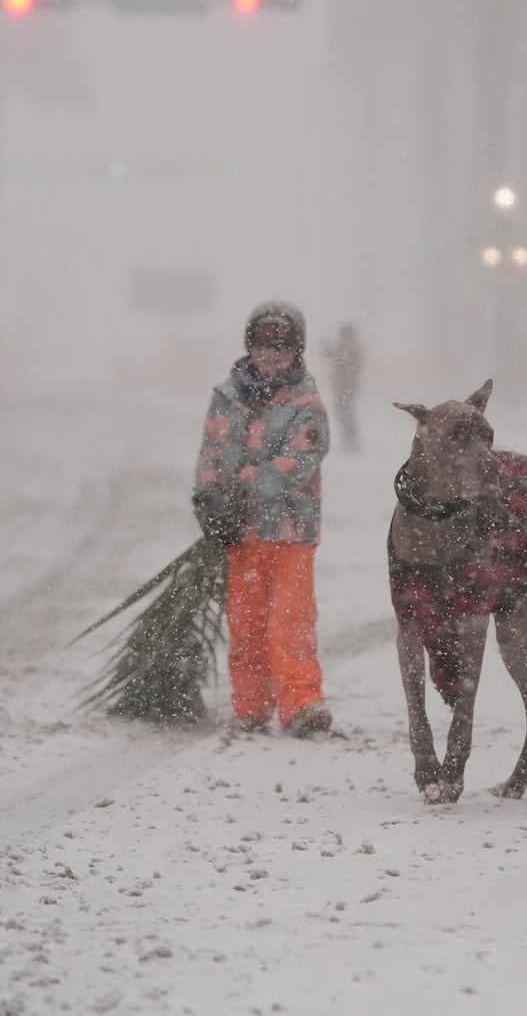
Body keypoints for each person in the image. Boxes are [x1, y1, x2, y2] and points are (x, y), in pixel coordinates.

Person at [193, 302, 334, 737]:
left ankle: (302, 703)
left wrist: (245, 489)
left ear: (297, 350)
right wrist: (209, 499)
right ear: (249, 345)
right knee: (247, 620)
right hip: (243, 533)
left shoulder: (306, 403)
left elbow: (300, 461)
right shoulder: (226, 398)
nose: (271, 355)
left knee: (290, 620)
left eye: (282, 347)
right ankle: (251, 705)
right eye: (262, 345)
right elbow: (212, 453)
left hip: (291, 533)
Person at [321, 323, 365, 453]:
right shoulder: (346, 348)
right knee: (343, 413)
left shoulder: (351, 349)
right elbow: (330, 354)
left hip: (346, 388)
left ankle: (351, 441)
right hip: (342, 388)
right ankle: (348, 441)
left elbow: (345, 362)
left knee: (345, 414)